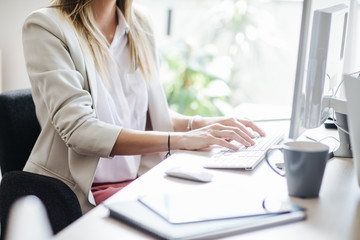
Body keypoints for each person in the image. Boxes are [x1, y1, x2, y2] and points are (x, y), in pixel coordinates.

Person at [22, 0, 265, 214]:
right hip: (82, 194)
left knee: (223, 203)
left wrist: (199, 124)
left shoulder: (138, 22)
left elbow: (136, 114)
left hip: (138, 183)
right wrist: (180, 139)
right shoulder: (46, 26)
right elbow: (80, 130)